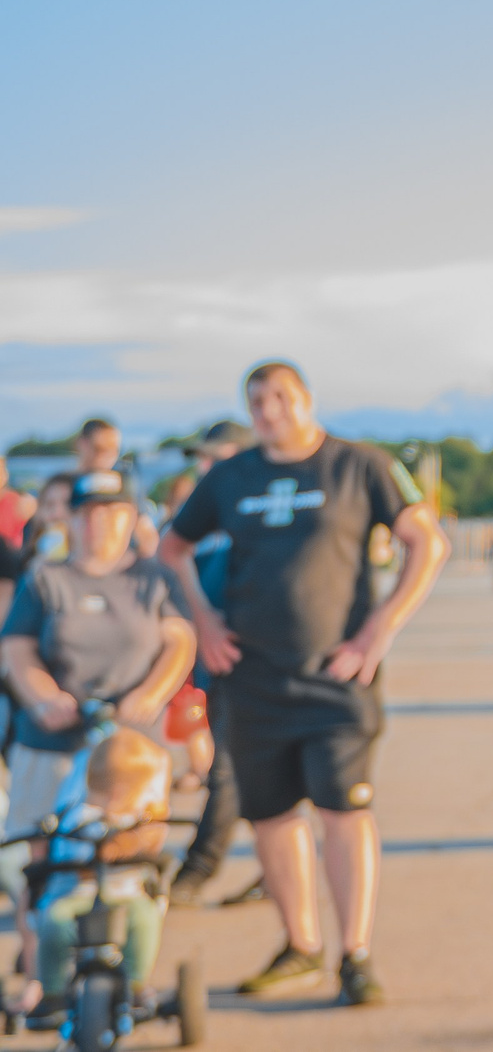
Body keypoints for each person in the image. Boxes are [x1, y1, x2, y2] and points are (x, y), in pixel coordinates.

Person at [159, 361, 450, 1007]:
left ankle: (355, 954)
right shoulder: (230, 476)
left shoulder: (358, 465)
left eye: (281, 396)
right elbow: (171, 548)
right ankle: (301, 944)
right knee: (270, 815)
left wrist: (380, 627)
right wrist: (203, 620)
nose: (269, 409)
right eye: (256, 399)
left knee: (344, 810)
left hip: (336, 678)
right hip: (251, 677)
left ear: (307, 400)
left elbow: (425, 542)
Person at [0, 470, 195, 1021]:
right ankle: (45, 979)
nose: (99, 524)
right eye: (88, 513)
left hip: (129, 752)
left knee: (130, 860)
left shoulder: (154, 579)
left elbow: (180, 642)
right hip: (52, 742)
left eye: (112, 512)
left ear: (130, 518)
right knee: (43, 863)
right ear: (73, 519)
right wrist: (44, 698)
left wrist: (151, 696)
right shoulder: (47, 579)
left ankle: (129, 976)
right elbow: (16, 648)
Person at [166, 419, 259, 908]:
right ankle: (277, 869)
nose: (204, 468)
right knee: (258, 778)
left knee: (225, 772)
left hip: (246, 666)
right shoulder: (205, 519)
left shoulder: (249, 515)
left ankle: (197, 871)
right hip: (211, 666)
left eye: (213, 457)